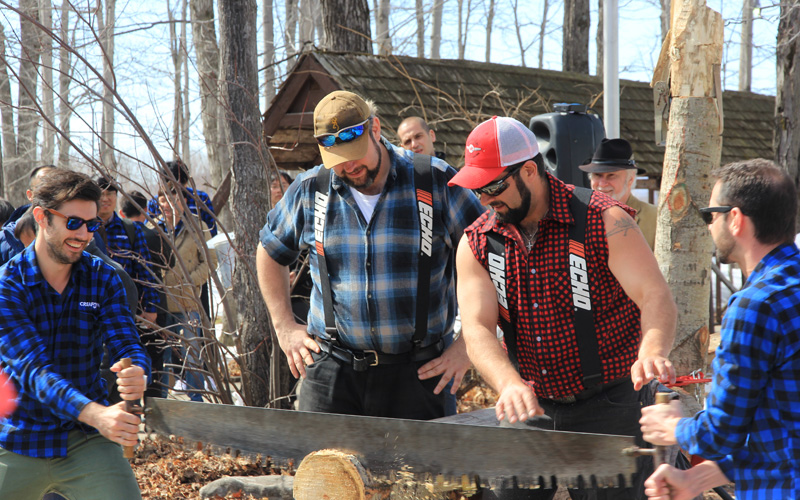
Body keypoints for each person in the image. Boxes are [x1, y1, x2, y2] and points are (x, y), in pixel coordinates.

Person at [450, 116, 677, 499]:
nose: (485, 200)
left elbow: (655, 296)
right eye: (477, 190)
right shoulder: (476, 243)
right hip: (529, 402)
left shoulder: (604, 219)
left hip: (611, 402)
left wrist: (651, 353)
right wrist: (508, 384)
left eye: (492, 186)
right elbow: (475, 328)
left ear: (528, 171)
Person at [256, 90, 484, 419]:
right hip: (331, 372)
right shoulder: (311, 189)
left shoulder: (433, 181)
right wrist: (284, 326)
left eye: (356, 153)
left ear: (375, 129)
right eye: (338, 159)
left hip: (420, 373)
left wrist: (468, 345)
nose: (349, 166)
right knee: (322, 471)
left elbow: (490, 256)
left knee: (424, 472)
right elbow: (269, 250)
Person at [640, 159, 800, 500]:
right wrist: (698, 479)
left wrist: (673, 427)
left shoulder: (755, 305)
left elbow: (721, 432)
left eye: (710, 215)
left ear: (737, 219)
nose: (710, 226)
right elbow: (780, 428)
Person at [0, 169, 149, 500]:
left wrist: (138, 371)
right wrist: (99, 414)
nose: (84, 234)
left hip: (86, 438)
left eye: (92, 224)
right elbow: (33, 371)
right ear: (42, 217)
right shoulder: (6, 284)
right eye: (73, 223)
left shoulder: (104, 278)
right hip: (18, 437)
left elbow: (127, 343)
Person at [397, 116, 459, 416]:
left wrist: (469, 343)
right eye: (406, 142)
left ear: (432, 135)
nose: (414, 144)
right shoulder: (396, 187)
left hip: (439, 341)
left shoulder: (451, 183)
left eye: (418, 136)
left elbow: (487, 256)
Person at [151, 185, 217, 402]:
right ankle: (161, 403)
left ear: (182, 201)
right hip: (159, 303)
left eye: (173, 198)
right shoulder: (151, 227)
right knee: (162, 355)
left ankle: (195, 400)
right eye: (163, 199)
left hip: (188, 301)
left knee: (193, 354)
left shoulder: (198, 226)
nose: (168, 203)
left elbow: (209, 261)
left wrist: (190, 283)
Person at [121, 190, 173, 399]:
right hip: (155, 306)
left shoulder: (116, 234)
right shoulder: (154, 235)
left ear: (122, 212)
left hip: (127, 306)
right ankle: (156, 416)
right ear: (145, 210)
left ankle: (132, 410)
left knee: (128, 361)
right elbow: (170, 263)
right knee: (156, 361)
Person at [95, 177, 160, 326]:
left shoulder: (130, 229)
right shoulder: (82, 227)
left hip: (124, 306)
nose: (105, 199)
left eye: (110, 194)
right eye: (101, 194)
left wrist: (150, 307)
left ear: (116, 197)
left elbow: (144, 270)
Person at [579, 138, 657, 250]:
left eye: (611, 175)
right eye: (597, 175)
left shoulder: (655, 219)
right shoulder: (579, 217)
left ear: (630, 179)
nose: (602, 184)